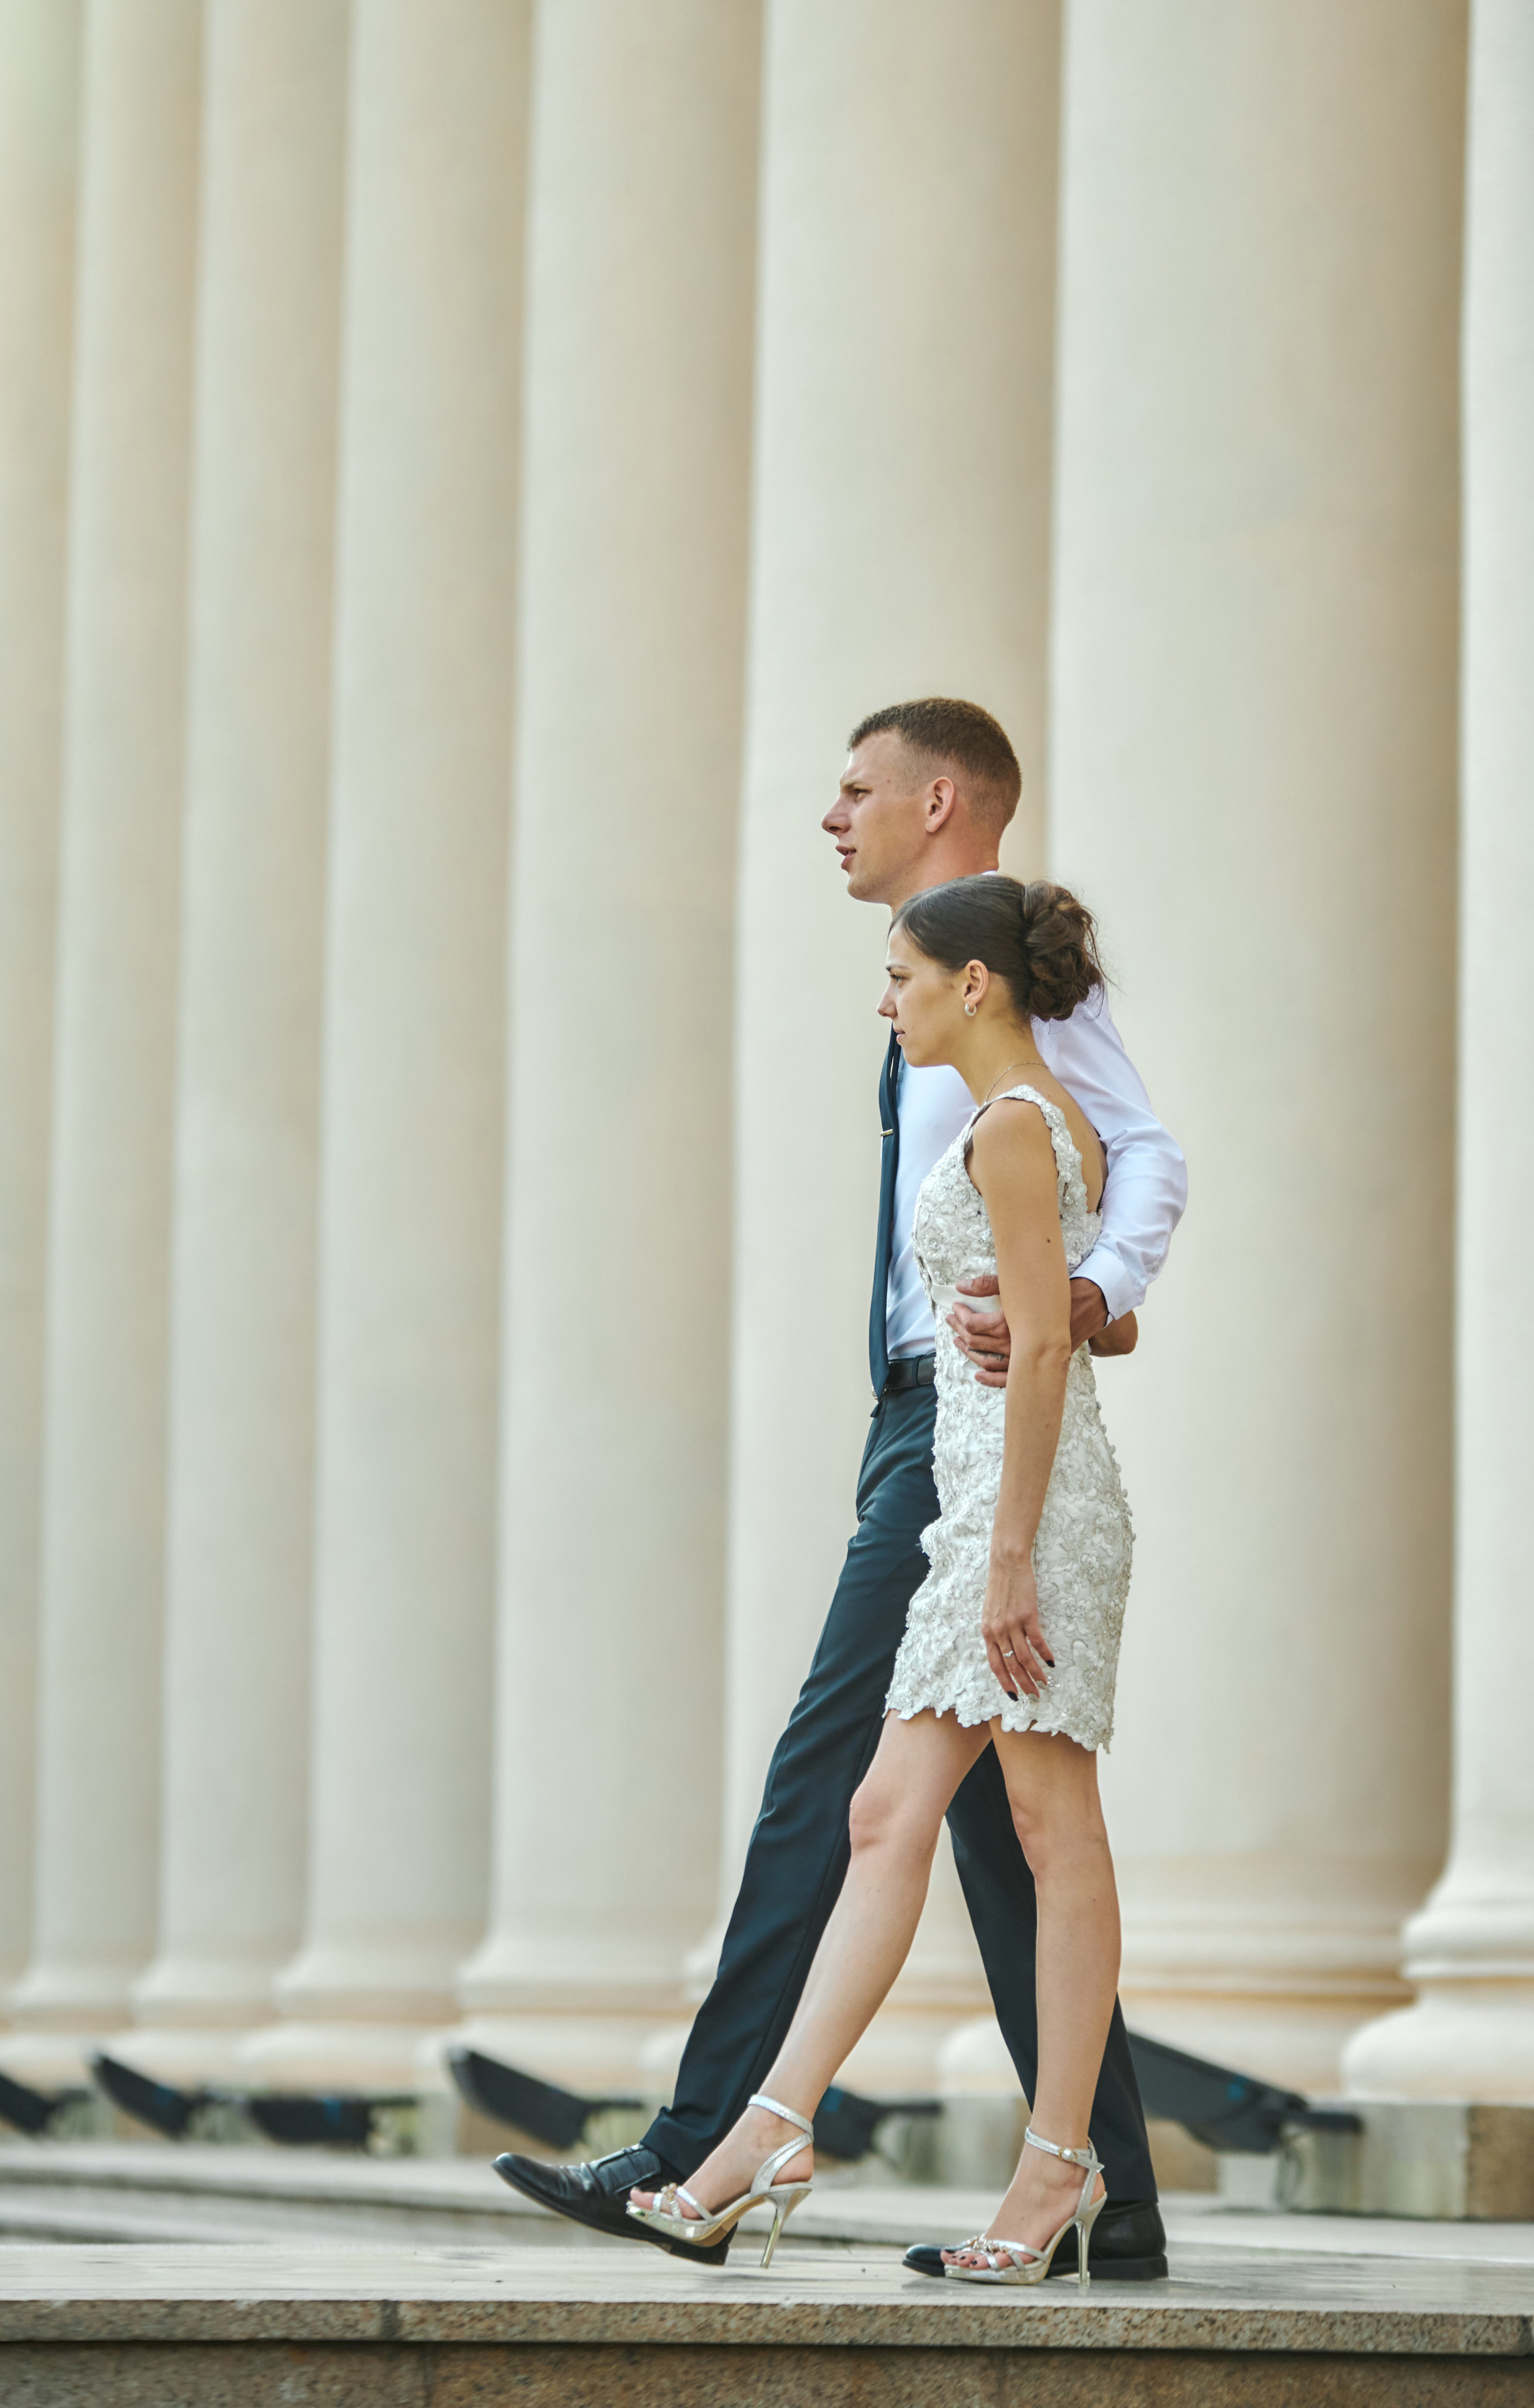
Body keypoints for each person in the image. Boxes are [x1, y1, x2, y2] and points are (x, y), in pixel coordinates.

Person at [494, 697, 1185, 2279]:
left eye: (855, 788)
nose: (830, 813)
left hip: (982, 1450)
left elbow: (1138, 1160)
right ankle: (1101, 2189)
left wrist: (1085, 1297)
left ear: (938, 800)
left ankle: (708, 2145)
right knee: (995, 1828)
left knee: (844, 1785)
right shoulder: (938, 988)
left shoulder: (1004, 992)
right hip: (923, 1428)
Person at [629, 872, 1133, 2281]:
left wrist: (1012, 1558)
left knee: (1051, 1831)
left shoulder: (1017, 1126)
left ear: (971, 984)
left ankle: (1052, 2173)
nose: (884, 999)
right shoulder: (1024, 1120)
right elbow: (1077, 1320)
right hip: (985, 1500)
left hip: (1022, 1514)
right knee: (880, 1813)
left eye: (903, 977)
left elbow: (1044, 1346)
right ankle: (770, 2131)